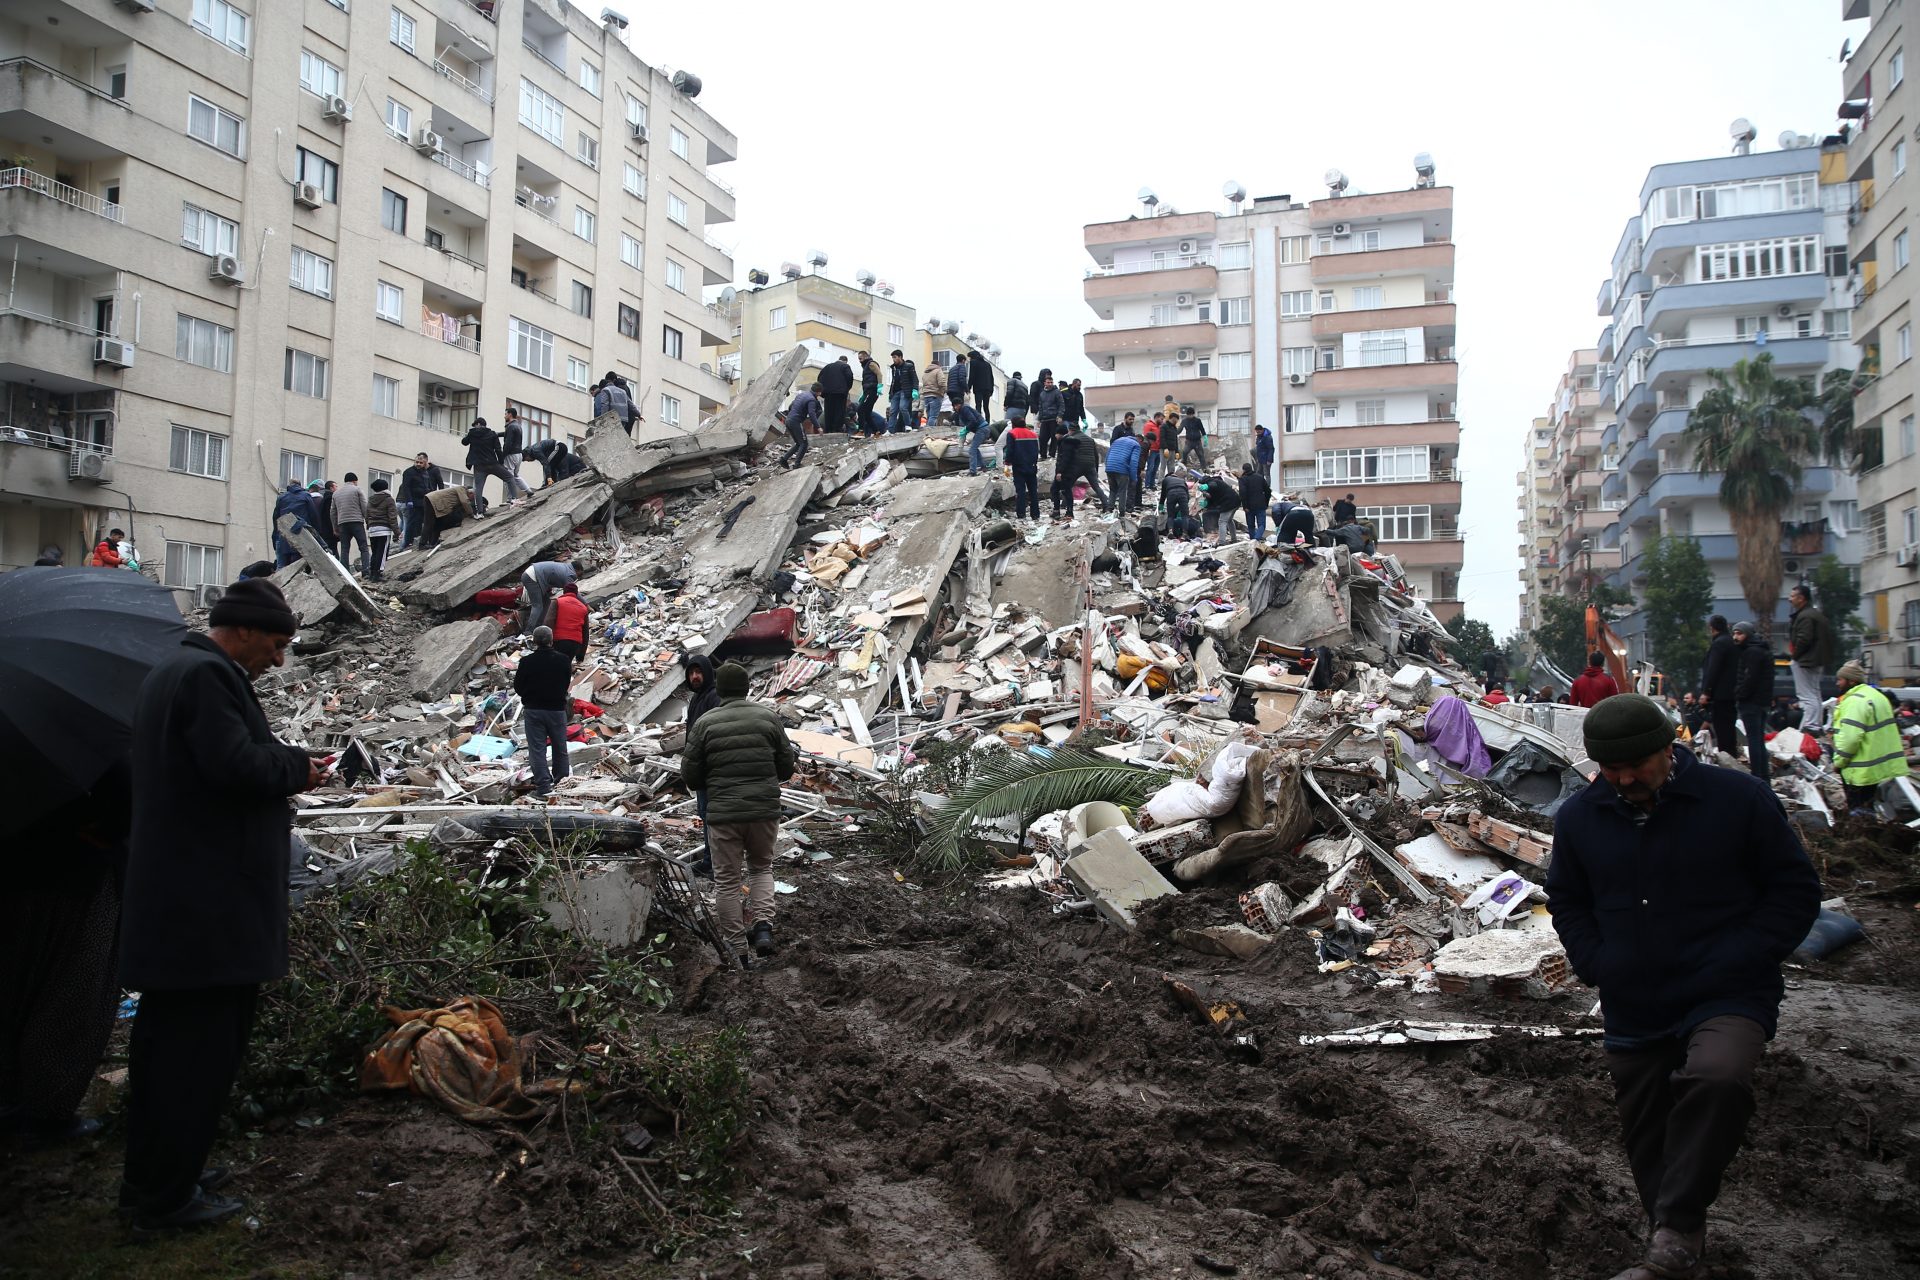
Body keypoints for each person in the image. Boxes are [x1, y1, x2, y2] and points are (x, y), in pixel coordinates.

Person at [1546, 694, 1819, 1280]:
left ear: (1669, 748)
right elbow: (1567, 900)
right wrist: (1598, 960)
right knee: (1648, 1135)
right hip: (1633, 998)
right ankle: (1672, 1242)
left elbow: (1794, 891)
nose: (1623, 780)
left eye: (1636, 766)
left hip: (1728, 990)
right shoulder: (1580, 818)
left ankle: (1674, 1234)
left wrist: (1742, 955)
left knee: (1717, 1076)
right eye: (1610, 770)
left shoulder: (1737, 800)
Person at [120, 578, 322, 1232]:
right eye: (276, 642)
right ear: (242, 631)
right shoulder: (206, 678)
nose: (279, 659)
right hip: (205, 912)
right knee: (193, 1056)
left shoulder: (174, 672)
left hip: (183, 905)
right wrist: (299, 768)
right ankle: (162, 1201)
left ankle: (165, 1174)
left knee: (169, 1052)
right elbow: (235, 767)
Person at [1, 760, 130, 1144]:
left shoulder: (21, 730)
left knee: (14, 984)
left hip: (16, 867)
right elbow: (125, 795)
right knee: (74, 991)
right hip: (75, 876)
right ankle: (45, 1111)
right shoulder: (81, 733)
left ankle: (11, 1097)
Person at [678, 662, 796, 960]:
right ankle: (764, 928)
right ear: (746, 688)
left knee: (728, 880)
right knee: (761, 867)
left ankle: (738, 950)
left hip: (723, 815)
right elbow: (786, 766)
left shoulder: (705, 723)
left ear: (720, 687)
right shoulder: (768, 718)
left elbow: (690, 775)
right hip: (764, 811)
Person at [1831, 660, 1908, 814]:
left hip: (1859, 771)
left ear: (1851, 681)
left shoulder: (1855, 701)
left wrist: (1839, 762)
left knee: (1859, 816)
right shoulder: (1876, 697)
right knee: (1868, 812)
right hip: (1875, 769)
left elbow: (1850, 739)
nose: (1837, 683)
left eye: (1840, 679)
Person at [513, 626, 572, 799]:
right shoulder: (563, 660)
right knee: (560, 747)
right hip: (556, 710)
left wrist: (530, 695)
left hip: (534, 710)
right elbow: (566, 682)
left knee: (537, 750)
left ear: (534, 642)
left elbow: (518, 687)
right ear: (552, 639)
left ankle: (544, 787)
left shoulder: (527, 662)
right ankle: (563, 784)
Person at [682, 653, 721, 876]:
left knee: (711, 816)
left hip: (710, 770)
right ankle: (710, 860)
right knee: (705, 814)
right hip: (700, 769)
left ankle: (713, 863)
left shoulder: (713, 697)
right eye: (691, 673)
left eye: (699, 672)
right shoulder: (697, 698)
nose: (695, 676)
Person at [1786, 585, 1836, 734]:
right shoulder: (1815, 614)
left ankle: (1811, 725)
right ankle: (1815, 724)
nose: (1790, 599)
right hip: (1815, 660)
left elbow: (1804, 639)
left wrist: (1795, 656)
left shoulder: (1805, 616)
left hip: (1805, 660)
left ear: (1801, 599)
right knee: (1814, 693)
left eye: (1792, 596)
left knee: (1806, 696)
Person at [1730, 621, 1773, 781]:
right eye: (1734, 633)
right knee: (1759, 740)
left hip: (1751, 702)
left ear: (1748, 634)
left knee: (1754, 741)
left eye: (1739, 633)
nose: (1735, 637)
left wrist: (1739, 694)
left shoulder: (1751, 652)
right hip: (1761, 702)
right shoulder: (1762, 650)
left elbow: (1749, 678)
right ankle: (1764, 776)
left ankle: (1758, 776)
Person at [462, 418, 519, 515]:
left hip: (479, 466)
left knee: (478, 489)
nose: (474, 427)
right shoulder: (492, 434)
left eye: (475, 425)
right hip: (492, 463)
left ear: (478, 424)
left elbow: (464, 442)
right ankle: (514, 500)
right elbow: (498, 449)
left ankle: (479, 513)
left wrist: (470, 434)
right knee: (509, 477)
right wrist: (501, 463)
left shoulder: (472, 434)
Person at [1700, 614, 1738, 758]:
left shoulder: (1719, 644)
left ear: (1712, 628)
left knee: (1723, 732)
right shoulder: (1731, 643)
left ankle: (1726, 759)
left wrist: (1706, 692)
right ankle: (1731, 757)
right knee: (1729, 730)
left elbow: (1713, 669)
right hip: (1732, 694)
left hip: (1720, 695)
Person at [1052, 421, 1107, 517]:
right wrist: (1096, 469)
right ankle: (1107, 506)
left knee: (1068, 486)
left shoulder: (1071, 439)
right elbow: (1096, 455)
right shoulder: (1090, 439)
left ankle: (1065, 505)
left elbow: (1068, 455)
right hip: (1090, 465)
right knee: (1096, 487)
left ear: (1070, 430)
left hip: (1076, 466)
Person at [397, 453, 443, 552]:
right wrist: (409, 500)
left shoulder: (425, 472)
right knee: (411, 522)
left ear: (424, 463)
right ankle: (407, 543)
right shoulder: (408, 472)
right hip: (414, 501)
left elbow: (429, 485)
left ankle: (425, 540)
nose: (418, 464)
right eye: (417, 462)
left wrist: (432, 495)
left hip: (425, 500)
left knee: (425, 521)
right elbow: (406, 487)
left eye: (420, 462)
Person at [521, 557, 576, 635]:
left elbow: (549, 578)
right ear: (578, 570)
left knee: (546, 602)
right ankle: (528, 631)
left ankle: (540, 626)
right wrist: (586, 604)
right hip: (532, 577)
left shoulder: (564, 568)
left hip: (532, 574)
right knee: (537, 606)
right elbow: (574, 593)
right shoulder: (568, 574)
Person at [1003, 414, 1040, 521]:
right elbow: (1036, 451)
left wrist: (1007, 465)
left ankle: (1021, 514)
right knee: (1033, 491)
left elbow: (1010, 451)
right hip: (1032, 466)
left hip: (1019, 467)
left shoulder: (1012, 433)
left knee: (1021, 491)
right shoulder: (1033, 434)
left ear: (1013, 424)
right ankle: (1035, 515)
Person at [331, 473, 370, 574]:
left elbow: (333, 512)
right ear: (355, 481)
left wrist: (335, 527)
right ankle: (366, 570)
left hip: (342, 524)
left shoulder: (336, 494)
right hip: (356, 522)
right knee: (363, 547)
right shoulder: (357, 490)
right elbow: (364, 506)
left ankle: (345, 572)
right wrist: (368, 520)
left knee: (344, 548)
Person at [778, 383, 822, 469]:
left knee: (799, 443)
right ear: (819, 392)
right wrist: (818, 427)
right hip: (796, 422)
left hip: (788, 420)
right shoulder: (811, 400)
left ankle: (783, 459)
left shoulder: (802, 394)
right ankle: (796, 465)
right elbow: (812, 414)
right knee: (804, 444)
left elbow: (791, 406)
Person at [418, 484, 476, 550]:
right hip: (432, 500)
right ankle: (422, 544)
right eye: (473, 497)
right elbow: (465, 502)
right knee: (429, 523)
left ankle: (432, 543)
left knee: (438, 525)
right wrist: (471, 514)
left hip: (437, 503)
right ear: (471, 493)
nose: (472, 500)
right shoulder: (462, 489)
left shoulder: (461, 493)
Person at [1104, 419, 1142, 515]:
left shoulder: (1117, 440)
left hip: (1109, 467)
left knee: (1113, 489)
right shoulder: (1136, 445)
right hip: (1122, 469)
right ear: (1139, 440)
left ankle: (1109, 509)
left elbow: (1108, 454)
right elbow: (1134, 462)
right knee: (1122, 490)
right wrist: (1134, 478)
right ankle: (1122, 512)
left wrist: (1108, 466)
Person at [364, 479, 398, 582]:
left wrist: (369, 526)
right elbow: (392, 517)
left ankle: (372, 572)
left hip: (373, 529)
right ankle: (378, 574)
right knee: (382, 553)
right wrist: (397, 531)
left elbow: (367, 515)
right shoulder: (389, 499)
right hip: (384, 529)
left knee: (374, 552)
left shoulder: (370, 499)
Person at [270, 484, 313, 567]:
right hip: (300, 536)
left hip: (283, 538)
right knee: (297, 568)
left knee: (281, 568)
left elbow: (275, 518)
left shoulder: (282, 497)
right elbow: (313, 515)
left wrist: (275, 538)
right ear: (300, 486)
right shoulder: (306, 496)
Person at [550, 581, 589, 666]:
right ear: (576, 593)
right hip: (575, 644)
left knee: (554, 666)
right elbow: (585, 633)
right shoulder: (583, 608)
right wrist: (581, 655)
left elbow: (549, 621)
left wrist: (544, 643)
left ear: (564, 591)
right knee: (565, 666)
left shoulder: (557, 602)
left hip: (558, 641)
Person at [817, 353, 855, 434]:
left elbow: (819, 378)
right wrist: (847, 389)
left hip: (828, 393)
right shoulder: (845, 366)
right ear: (845, 361)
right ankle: (837, 429)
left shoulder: (827, 367)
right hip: (840, 393)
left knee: (828, 411)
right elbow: (850, 377)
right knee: (839, 411)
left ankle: (828, 430)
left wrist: (823, 391)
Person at [499, 410, 533, 500]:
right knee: (515, 475)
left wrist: (502, 456)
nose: (504, 416)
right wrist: (496, 434)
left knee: (508, 477)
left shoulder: (510, 427)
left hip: (511, 455)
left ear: (510, 415)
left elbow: (508, 443)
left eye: (505, 414)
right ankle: (528, 490)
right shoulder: (518, 426)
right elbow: (507, 434)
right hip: (519, 454)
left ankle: (510, 499)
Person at [1034, 372, 1065, 459]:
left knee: (1054, 438)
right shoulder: (1042, 394)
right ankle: (1043, 455)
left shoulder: (1057, 392)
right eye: (1048, 382)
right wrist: (1039, 420)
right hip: (1044, 419)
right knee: (1042, 438)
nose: (1050, 384)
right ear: (1045, 383)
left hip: (1054, 419)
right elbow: (1040, 407)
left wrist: (1060, 416)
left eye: (1051, 382)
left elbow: (1061, 405)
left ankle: (1051, 454)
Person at [1202, 472, 1240, 543]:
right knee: (1229, 520)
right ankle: (1234, 539)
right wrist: (1206, 504)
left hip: (1229, 503)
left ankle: (1222, 541)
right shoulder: (1216, 484)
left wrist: (1207, 486)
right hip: (1235, 501)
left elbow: (1212, 485)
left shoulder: (1214, 482)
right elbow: (1212, 500)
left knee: (1222, 521)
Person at [1238, 462, 1271, 542]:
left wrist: (1245, 506)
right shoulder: (1259, 477)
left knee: (1251, 525)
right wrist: (1266, 502)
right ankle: (1257, 539)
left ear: (1244, 470)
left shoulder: (1242, 479)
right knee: (1262, 525)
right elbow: (1268, 491)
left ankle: (1254, 540)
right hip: (1261, 505)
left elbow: (1242, 493)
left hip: (1249, 506)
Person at [887, 349, 918, 432]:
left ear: (900, 357)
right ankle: (890, 430)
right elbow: (893, 381)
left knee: (903, 407)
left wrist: (915, 389)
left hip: (905, 391)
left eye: (895, 357)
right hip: (895, 392)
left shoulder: (908, 366)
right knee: (893, 411)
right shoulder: (893, 368)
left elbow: (915, 379)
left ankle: (908, 425)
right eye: (892, 358)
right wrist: (890, 393)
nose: (893, 359)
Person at [956, 402, 989, 476]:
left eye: (956, 405)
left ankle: (973, 471)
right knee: (975, 448)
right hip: (983, 429)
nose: (955, 407)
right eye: (954, 406)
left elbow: (973, 420)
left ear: (959, 404)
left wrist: (966, 428)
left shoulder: (965, 409)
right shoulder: (962, 411)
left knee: (972, 449)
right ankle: (983, 467)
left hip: (982, 429)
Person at [1160, 468, 1192, 539]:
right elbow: (1188, 496)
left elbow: (1163, 495)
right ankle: (1184, 534)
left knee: (1170, 515)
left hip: (1171, 493)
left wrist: (1160, 507)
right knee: (1185, 515)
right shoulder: (1182, 480)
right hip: (1182, 493)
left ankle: (1170, 531)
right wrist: (1180, 508)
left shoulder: (1166, 479)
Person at [857, 350, 883, 428]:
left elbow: (879, 374)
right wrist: (863, 393)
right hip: (868, 391)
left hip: (872, 390)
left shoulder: (871, 364)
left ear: (866, 357)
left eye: (860, 358)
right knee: (867, 413)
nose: (859, 361)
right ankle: (876, 431)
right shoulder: (865, 366)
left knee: (860, 409)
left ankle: (861, 430)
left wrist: (879, 386)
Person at [943, 352, 969, 423]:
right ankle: (952, 420)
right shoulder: (962, 366)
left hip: (950, 391)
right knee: (960, 407)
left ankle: (955, 422)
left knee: (956, 407)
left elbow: (948, 380)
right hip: (958, 391)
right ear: (963, 360)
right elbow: (962, 379)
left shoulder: (952, 369)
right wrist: (967, 389)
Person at [920, 359, 947, 427]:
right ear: (938, 365)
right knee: (933, 416)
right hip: (935, 395)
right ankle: (930, 432)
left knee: (929, 416)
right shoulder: (938, 370)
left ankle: (927, 432)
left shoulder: (925, 373)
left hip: (926, 396)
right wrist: (946, 390)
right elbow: (942, 383)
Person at [1140, 414, 1164, 492]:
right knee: (1150, 468)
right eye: (1161, 419)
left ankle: (1152, 484)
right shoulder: (1149, 425)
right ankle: (1147, 485)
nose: (1162, 421)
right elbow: (1146, 437)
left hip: (1158, 450)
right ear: (1156, 418)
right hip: (1152, 450)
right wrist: (1148, 449)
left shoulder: (1160, 426)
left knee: (1155, 469)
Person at [969, 349, 994, 419]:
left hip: (978, 388)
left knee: (978, 405)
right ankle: (987, 422)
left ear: (972, 357)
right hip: (988, 388)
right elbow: (991, 377)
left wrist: (969, 387)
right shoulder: (988, 364)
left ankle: (979, 421)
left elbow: (972, 376)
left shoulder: (973, 362)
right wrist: (991, 389)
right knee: (986, 407)